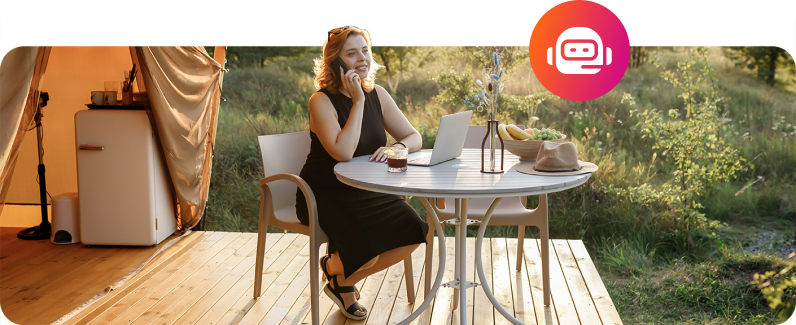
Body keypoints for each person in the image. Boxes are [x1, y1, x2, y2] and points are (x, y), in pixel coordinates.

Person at [294, 25, 429, 320]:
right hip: (325, 194)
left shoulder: (377, 94)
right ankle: (341, 281)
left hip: (367, 190)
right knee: (371, 244)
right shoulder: (321, 101)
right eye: (351, 53)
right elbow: (342, 152)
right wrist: (357, 102)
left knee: (414, 230)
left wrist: (396, 148)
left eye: (365, 50)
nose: (362, 58)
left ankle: (337, 274)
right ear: (336, 61)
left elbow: (414, 137)